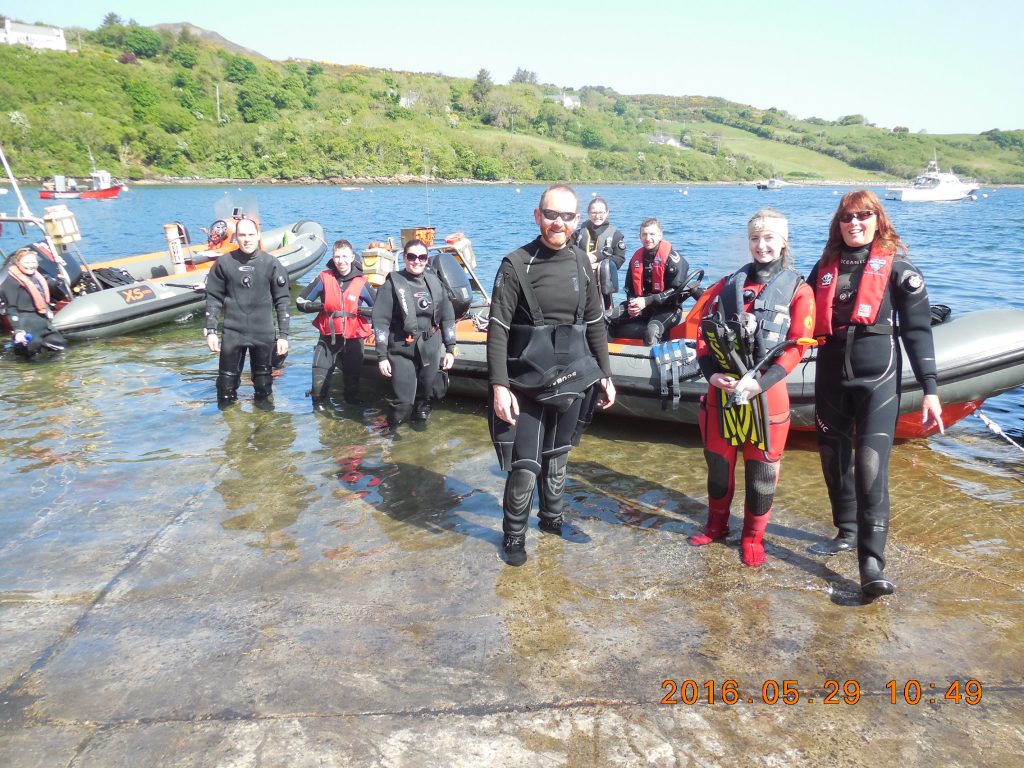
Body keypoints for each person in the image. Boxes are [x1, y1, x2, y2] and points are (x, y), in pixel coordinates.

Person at [807, 190, 943, 598]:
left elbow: (918, 333)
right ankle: (845, 532)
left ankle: (871, 561)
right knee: (833, 458)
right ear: (839, 223)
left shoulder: (899, 270)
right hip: (830, 377)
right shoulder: (824, 267)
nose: (855, 223)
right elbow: (800, 316)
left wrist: (931, 390)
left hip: (878, 379)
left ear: (877, 219)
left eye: (863, 215)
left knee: (869, 466)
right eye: (847, 217)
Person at [488, 184, 616, 566]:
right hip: (525, 381)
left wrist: (605, 374)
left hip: (574, 375)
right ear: (537, 215)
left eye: (567, 216)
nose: (558, 223)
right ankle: (513, 536)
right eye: (551, 214)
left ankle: (552, 520)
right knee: (525, 465)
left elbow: (595, 323)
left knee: (558, 456)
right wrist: (498, 386)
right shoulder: (516, 264)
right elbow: (497, 329)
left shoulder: (581, 261)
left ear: (577, 219)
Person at [688, 209, 815, 567]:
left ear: (783, 242)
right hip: (722, 391)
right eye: (755, 239)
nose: (762, 245)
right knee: (717, 465)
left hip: (767, 395)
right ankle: (716, 526)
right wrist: (710, 374)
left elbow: (796, 347)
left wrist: (759, 384)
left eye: (769, 238)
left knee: (761, 474)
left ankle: (752, 537)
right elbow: (702, 334)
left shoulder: (799, 290)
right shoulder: (727, 285)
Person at [203, 217, 291, 406]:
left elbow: (282, 301)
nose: (247, 239)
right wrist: (211, 331)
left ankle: (265, 428)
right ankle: (231, 429)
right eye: (242, 235)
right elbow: (214, 299)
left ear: (258, 235)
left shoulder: (271, 264)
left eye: (251, 234)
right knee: (225, 388)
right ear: (236, 237)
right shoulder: (224, 264)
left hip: (263, 334)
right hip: (233, 333)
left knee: (263, 386)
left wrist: (283, 335)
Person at [371, 238, 456, 426]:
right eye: (412, 257)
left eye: (422, 257)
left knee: (425, 396)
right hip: (402, 348)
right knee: (404, 402)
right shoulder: (392, 284)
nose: (417, 261)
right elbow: (380, 322)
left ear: (427, 259)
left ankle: (418, 440)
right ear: (404, 258)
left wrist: (450, 349)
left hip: (430, 346)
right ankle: (391, 432)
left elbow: (448, 317)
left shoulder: (435, 283)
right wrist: (381, 356)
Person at [296, 239, 376, 410]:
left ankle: (350, 423)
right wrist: (321, 306)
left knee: (352, 393)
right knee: (317, 391)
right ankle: (319, 420)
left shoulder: (362, 282)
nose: (341, 261)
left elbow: (379, 308)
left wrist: (359, 310)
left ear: (352, 257)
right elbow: (300, 301)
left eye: (344, 256)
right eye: (337, 257)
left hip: (353, 339)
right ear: (333, 258)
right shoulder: (324, 278)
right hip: (327, 338)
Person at [608, 218, 691, 344]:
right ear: (640, 237)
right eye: (644, 234)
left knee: (652, 331)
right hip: (642, 307)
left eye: (652, 234)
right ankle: (604, 357)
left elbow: (677, 292)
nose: (648, 238)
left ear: (660, 235)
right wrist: (632, 305)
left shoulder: (674, 260)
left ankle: (653, 361)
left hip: (668, 308)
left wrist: (647, 301)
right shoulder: (636, 259)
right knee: (604, 318)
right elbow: (629, 289)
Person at [1, 247, 67, 358]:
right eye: (26, 262)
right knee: (31, 361)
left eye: (33, 262)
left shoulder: (37, 276)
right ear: (17, 263)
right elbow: (11, 308)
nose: (31, 265)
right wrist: (18, 331)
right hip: (26, 325)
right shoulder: (11, 282)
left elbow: (51, 284)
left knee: (63, 350)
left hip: (43, 323)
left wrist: (60, 276)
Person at [571, 197, 626, 309]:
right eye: (594, 212)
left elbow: (619, 259)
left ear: (607, 213)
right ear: (588, 213)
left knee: (603, 315)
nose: (597, 216)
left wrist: (597, 264)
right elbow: (567, 253)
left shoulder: (615, 235)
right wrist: (584, 258)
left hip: (603, 284)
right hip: (580, 282)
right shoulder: (577, 234)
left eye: (601, 212)